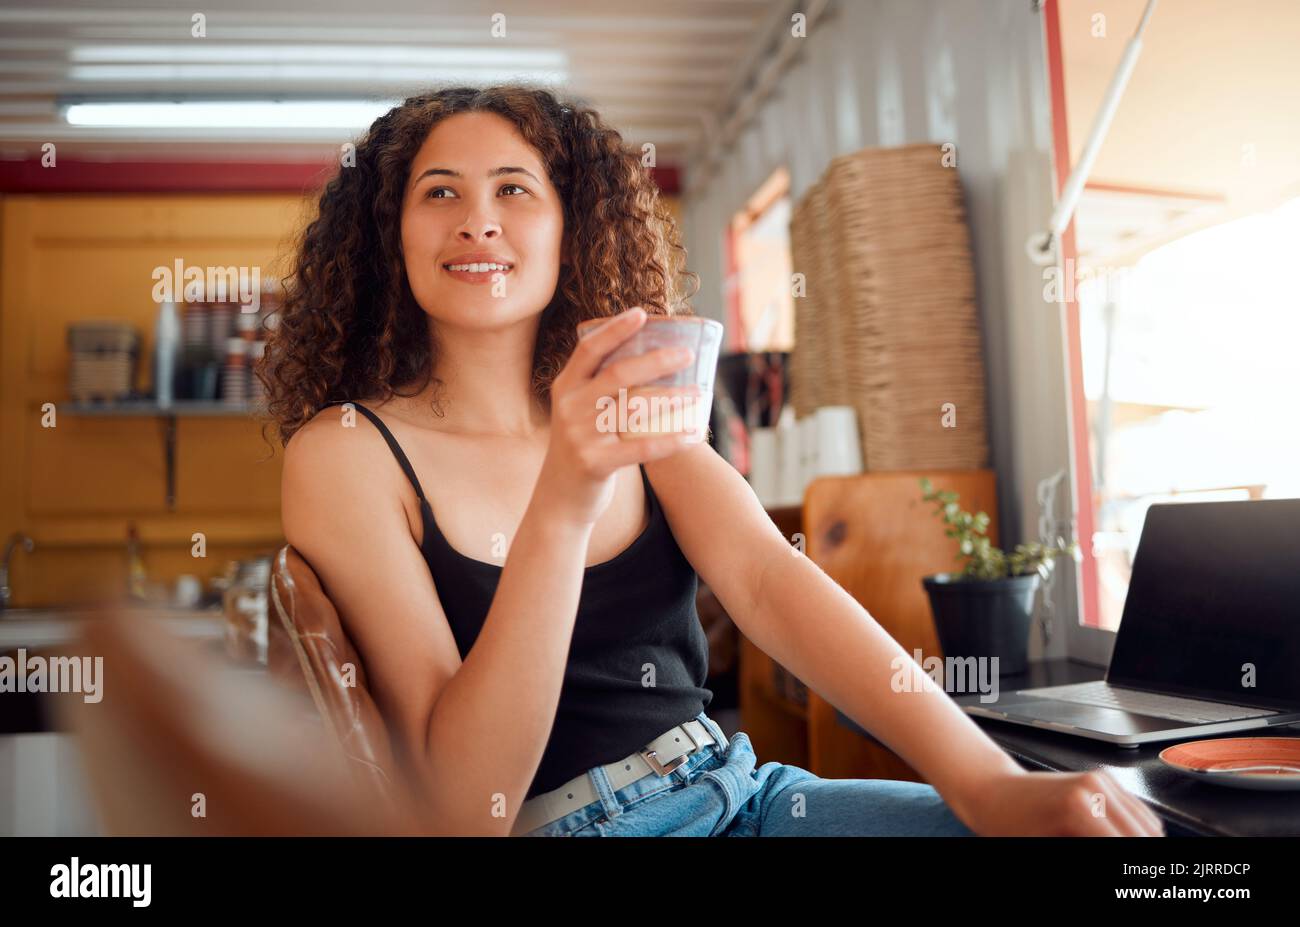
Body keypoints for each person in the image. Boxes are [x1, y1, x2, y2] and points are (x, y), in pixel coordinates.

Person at [256, 85, 1163, 838]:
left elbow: (769, 580)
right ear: (391, 234)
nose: (479, 222)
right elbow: (464, 809)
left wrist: (988, 782)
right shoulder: (346, 455)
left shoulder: (630, 394)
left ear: (569, 225)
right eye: (440, 193)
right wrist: (566, 496)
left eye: (515, 190)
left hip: (746, 794)